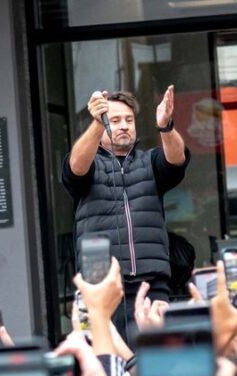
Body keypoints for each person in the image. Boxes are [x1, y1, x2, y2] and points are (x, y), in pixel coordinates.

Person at [63, 87, 190, 338]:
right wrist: (97, 123)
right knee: (108, 355)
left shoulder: (149, 162)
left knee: (157, 357)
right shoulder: (89, 162)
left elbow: (177, 160)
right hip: (103, 285)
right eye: (115, 120)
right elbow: (75, 167)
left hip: (151, 283)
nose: (124, 126)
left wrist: (165, 126)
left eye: (129, 120)